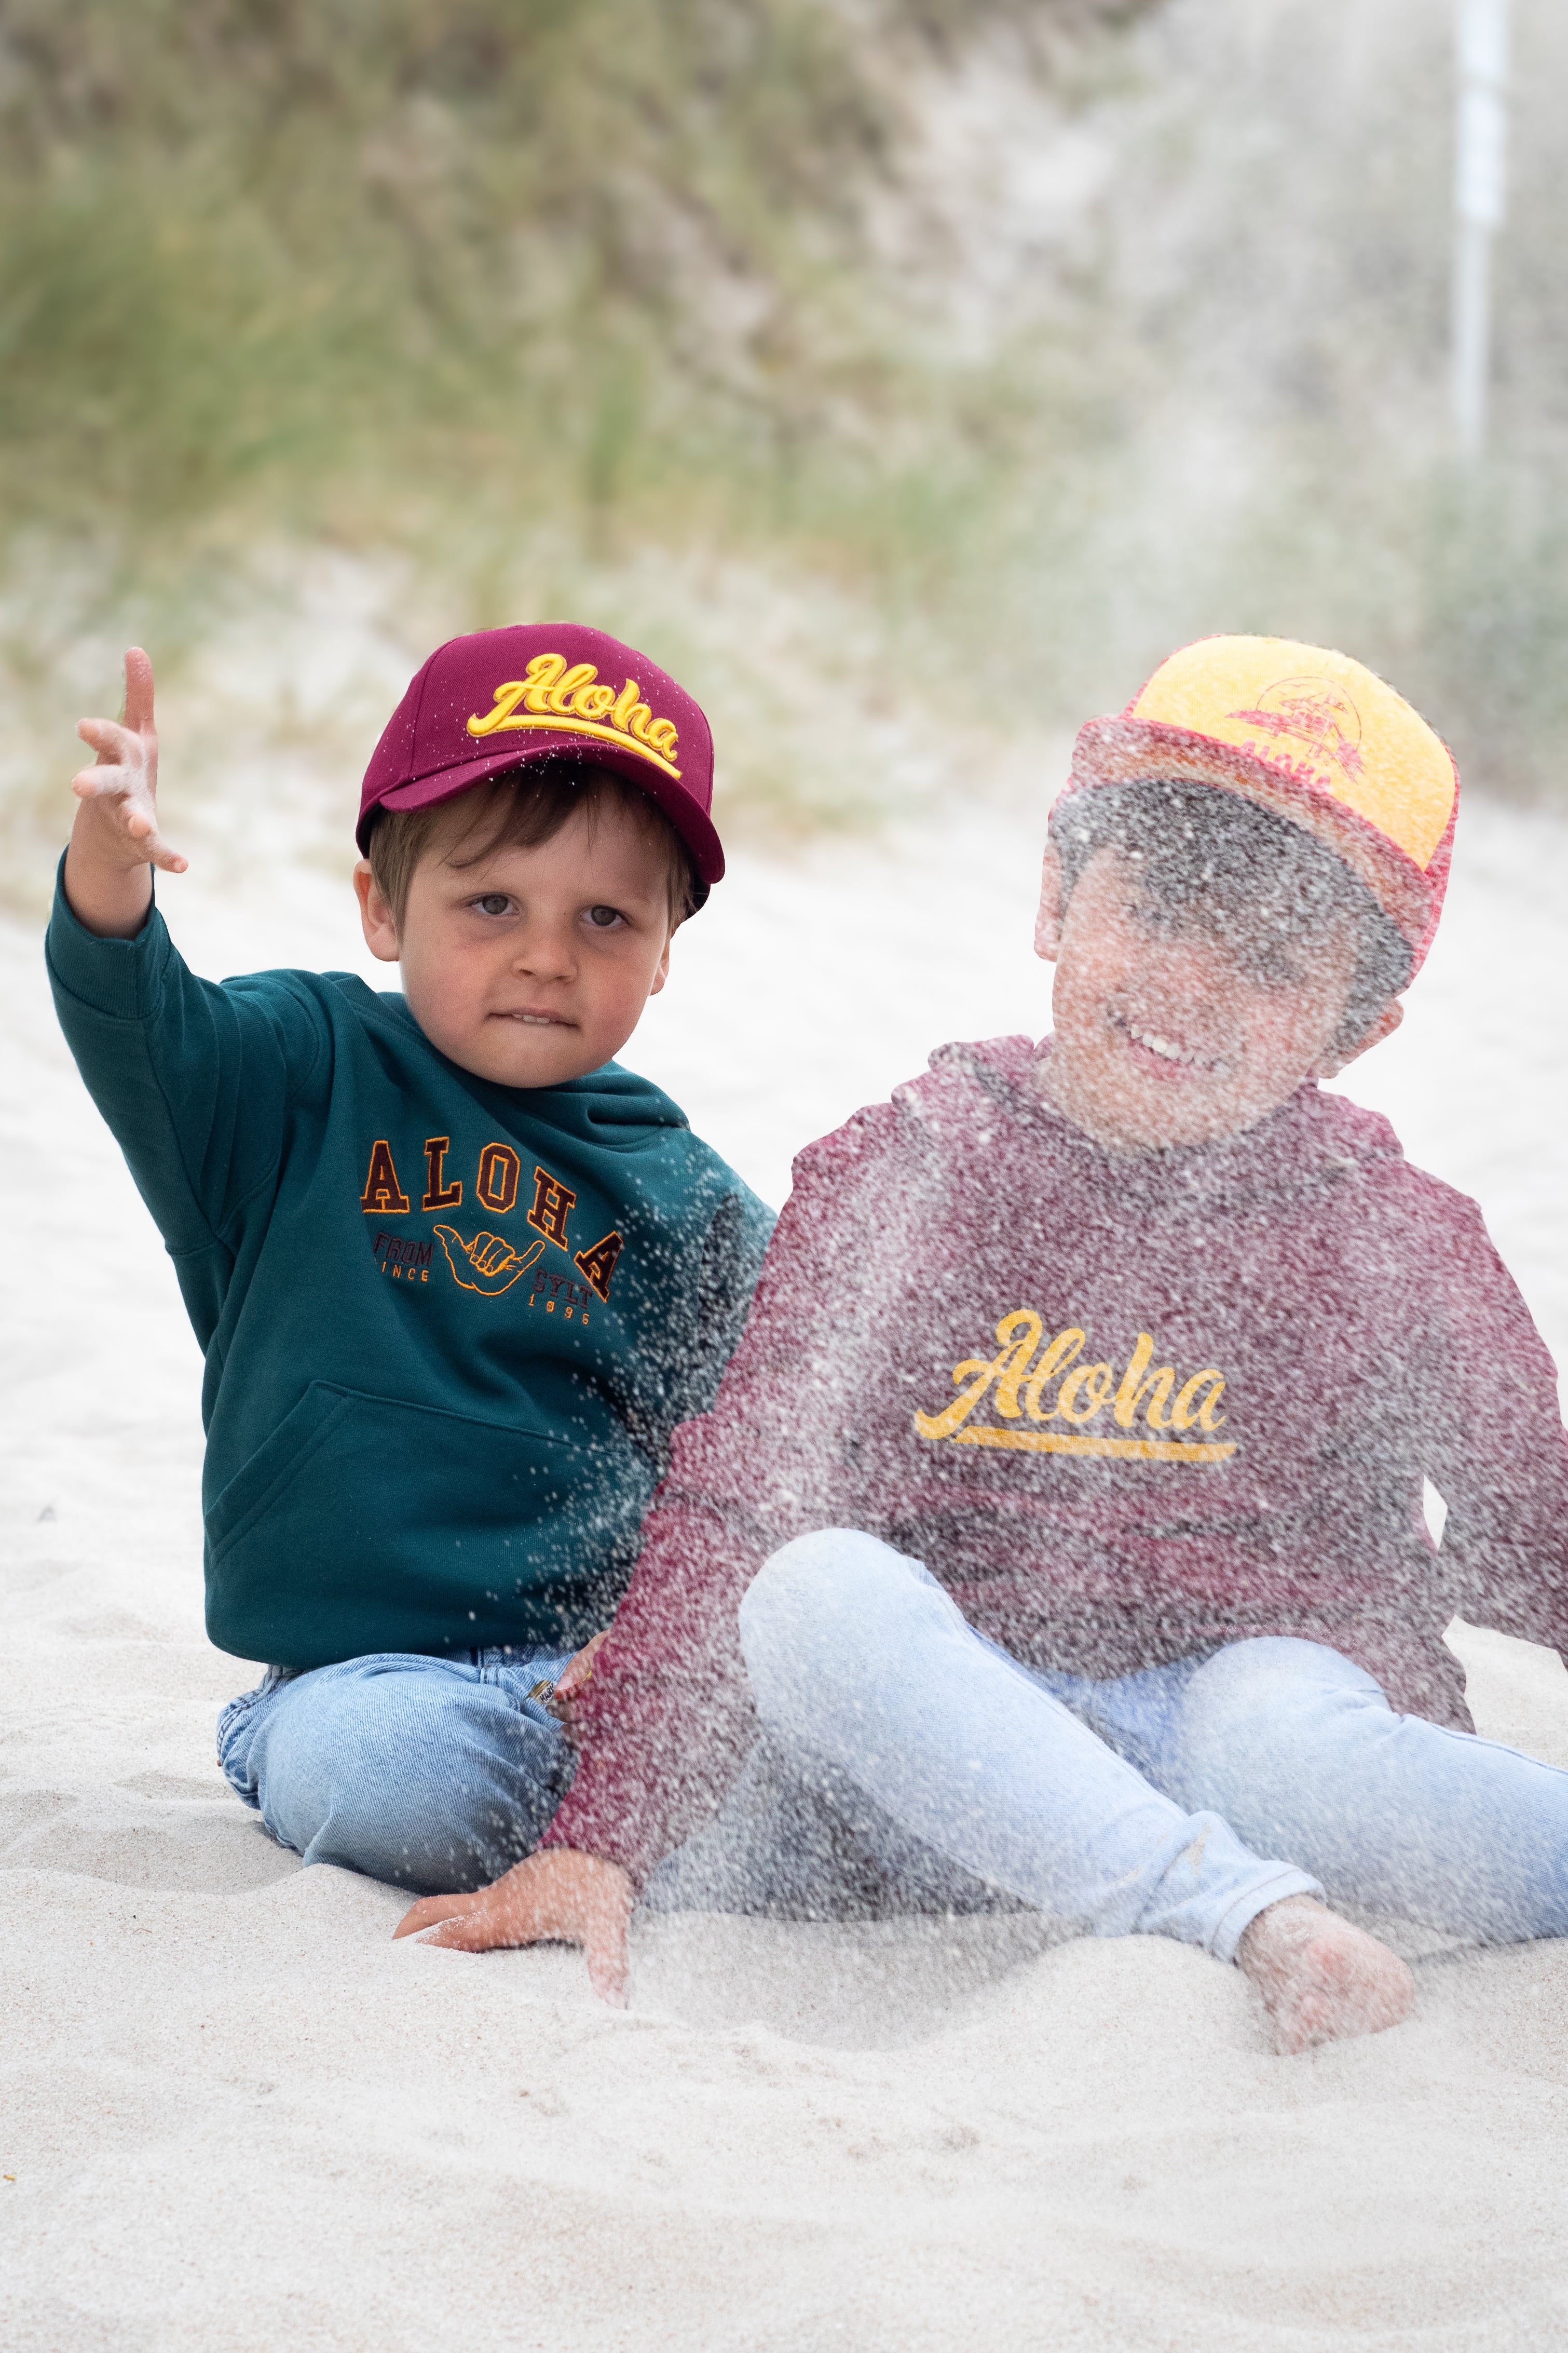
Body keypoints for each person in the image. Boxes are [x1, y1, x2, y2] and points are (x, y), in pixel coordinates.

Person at [397, 633, 1568, 2053]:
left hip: (1254, 1743)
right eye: (1157, 908)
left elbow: (1533, 1536)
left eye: (1268, 957)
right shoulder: (911, 1170)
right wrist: (605, 1837)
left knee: (1262, 1723)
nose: (1191, 981)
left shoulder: (1397, 1238)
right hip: (959, 1753)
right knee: (810, 1593)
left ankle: (1249, 1882)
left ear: (1358, 1026)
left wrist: (1382, 1629)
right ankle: (1234, 1913)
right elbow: (738, 1499)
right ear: (1056, 898)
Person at [49, 622, 772, 1891]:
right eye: (490, 902)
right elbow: (139, 1028)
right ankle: (587, 1830)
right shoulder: (301, 1073)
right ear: (383, 907)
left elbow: (778, 1439)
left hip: (601, 1677)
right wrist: (111, 872)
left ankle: (625, 1827)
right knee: (391, 1777)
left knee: (807, 1784)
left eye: (604, 917)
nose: (546, 953)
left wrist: (660, 1657)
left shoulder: (680, 1188)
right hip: (371, 1682)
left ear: (665, 950)